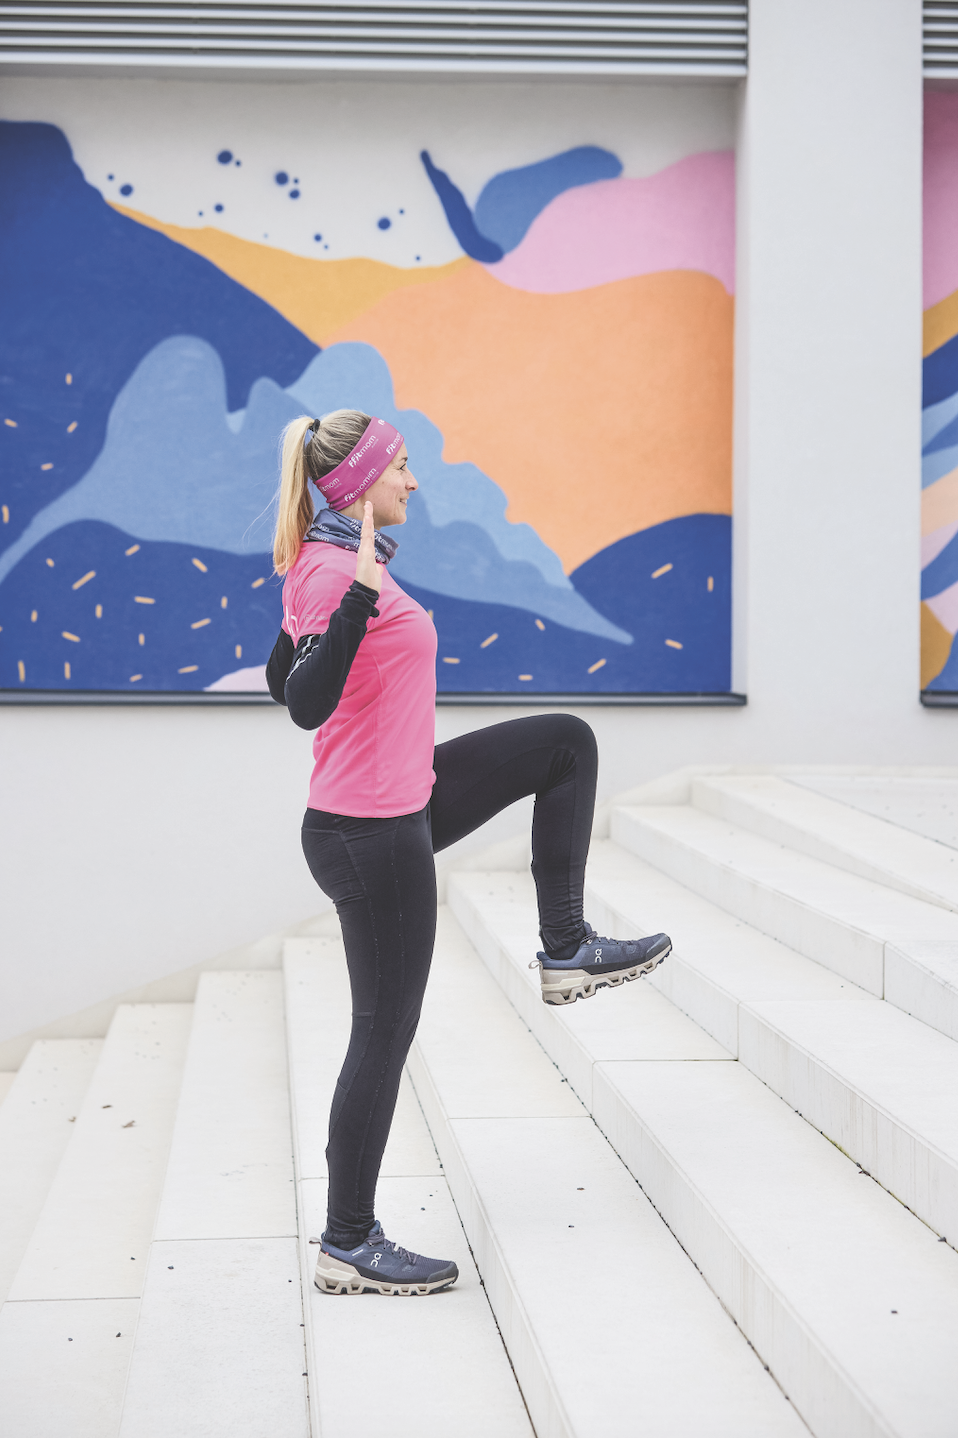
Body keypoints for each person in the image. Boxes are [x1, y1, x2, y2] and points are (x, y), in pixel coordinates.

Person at [267, 409, 671, 1298]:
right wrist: (354, 597)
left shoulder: (327, 561)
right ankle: (347, 1241)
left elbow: (279, 674)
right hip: (369, 834)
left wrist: (336, 598)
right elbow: (302, 703)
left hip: (398, 801)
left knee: (564, 744)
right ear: (359, 483)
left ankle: (565, 946)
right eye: (401, 467)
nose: (414, 481)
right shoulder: (338, 572)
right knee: (383, 1033)